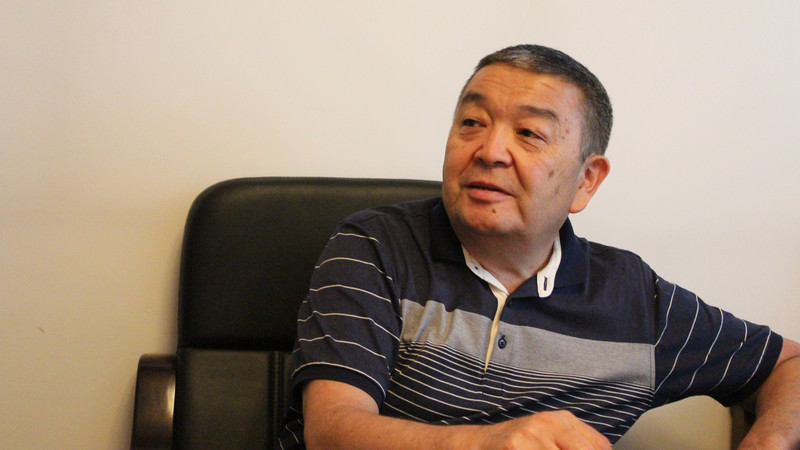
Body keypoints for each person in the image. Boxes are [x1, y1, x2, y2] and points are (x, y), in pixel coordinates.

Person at [278, 44, 800, 449]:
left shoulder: (635, 301)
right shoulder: (375, 247)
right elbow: (333, 430)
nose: (490, 151)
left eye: (529, 133)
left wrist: (769, 441)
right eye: (472, 123)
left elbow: (788, 365)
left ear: (586, 181)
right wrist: (489, 443)